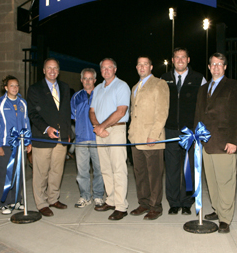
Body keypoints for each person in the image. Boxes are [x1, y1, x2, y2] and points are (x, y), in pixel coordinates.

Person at [194, 52, 237, 233]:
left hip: (224, 142)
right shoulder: (203, 89)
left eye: (219, 64)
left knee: (225, 181)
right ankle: (217, 209)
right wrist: (196, 139)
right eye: (213, 64)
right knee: (212, 182)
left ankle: (225, 218)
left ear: (225, 67)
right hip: (206, 144)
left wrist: (233, 141)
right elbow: (198, 116)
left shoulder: (233, 86)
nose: (216, 67)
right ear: (209, 67)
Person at [160, 48, 206, 215]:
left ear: (188, 59)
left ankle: (187, 202)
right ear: (172, 60)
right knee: (171, 168)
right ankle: (173, 202)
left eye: (183, 57)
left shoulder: (199, 78)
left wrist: (199, 127)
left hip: (189, 131)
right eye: (177, 57)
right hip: (170, 129)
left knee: (189, 168)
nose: (180, 60)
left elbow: (203, 104)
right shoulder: (164, 79)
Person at [27, 58, 71, 217]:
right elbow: (32, 113)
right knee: (41, 172)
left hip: (61, 138)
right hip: (43, 137)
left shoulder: (65, 87)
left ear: (58, 71)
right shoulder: (34, 89)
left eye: (55, 68)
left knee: (57, 171)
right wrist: (47, 128)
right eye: (49, 68)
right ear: (44, 70)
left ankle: (53, 198)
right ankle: (42, 203)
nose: (52, 71)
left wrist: (67, 134)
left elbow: (66, 112)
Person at [128, 56, 169, 220]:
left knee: (154, 175)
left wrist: (154, 135)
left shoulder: (159, 84)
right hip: (136, 139)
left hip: (152, 139)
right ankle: (143, 203)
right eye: (139, 64)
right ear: (137, 67)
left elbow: (162, 113)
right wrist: (131, 133)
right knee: (140, 174)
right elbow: (133, 112)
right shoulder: (134, 87)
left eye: (145, 64)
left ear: (151, 67)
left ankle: (155, 206)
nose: (142, 67)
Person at [89, 58, 131, 221]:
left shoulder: (122, 86)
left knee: (118, 168)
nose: (106, 71)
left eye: (109, 68)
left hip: (116, 130)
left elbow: (121, 111)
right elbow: (92, 111)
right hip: (101, 131)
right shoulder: (98, 88)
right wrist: (98, 126)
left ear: (115, 69)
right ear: (100, 71)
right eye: (103, 68)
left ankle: (121, 206)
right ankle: (111, 200)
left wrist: (102, 127)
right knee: (105, 168)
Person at [0, 75, 31, 215]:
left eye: (17, 85)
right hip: (5, 145)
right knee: (3, 175)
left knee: (18, 174)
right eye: (12, 86)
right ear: (6, 87)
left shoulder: (22, 103)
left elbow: (26, 123)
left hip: (20, 145)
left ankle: (15, 201)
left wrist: (28, 142)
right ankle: (2, 203)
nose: (15, 88)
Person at [70, 68, 105, 208]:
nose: (88, 81)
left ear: (95, 80)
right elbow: (73, 117)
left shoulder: (101, 95)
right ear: (81, 80)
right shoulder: (76, 97)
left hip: (98, 139)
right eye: (85, 78)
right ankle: (85, 196)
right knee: (82, 171)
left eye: (91, 78)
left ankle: (98, 196)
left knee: (99, 170)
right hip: (81, 139)